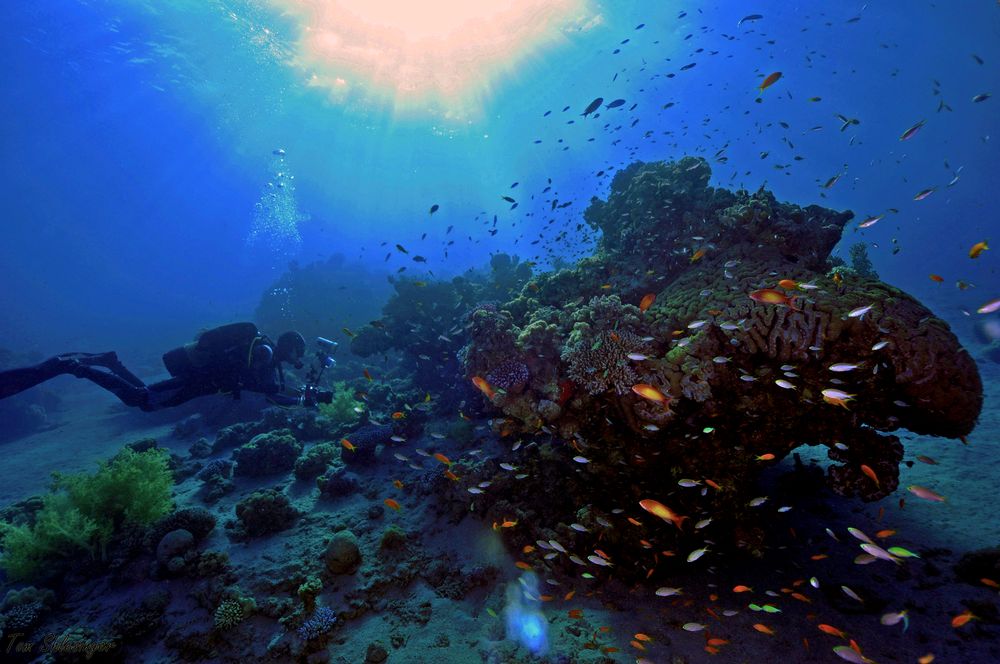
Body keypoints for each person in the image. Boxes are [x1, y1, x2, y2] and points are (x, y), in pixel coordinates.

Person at [0, 323, 333, 412]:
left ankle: (110, 363)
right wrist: (305, 396)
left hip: (196, 381)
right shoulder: (262, 352)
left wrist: (308, 397)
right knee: (142, 402)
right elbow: (260, 387)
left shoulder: (267, 359)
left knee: (145, 397)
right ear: (287, 347)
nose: (299, 357)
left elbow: (273, 394)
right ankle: (77, 368)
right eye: (298, 351)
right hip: (196, 380)